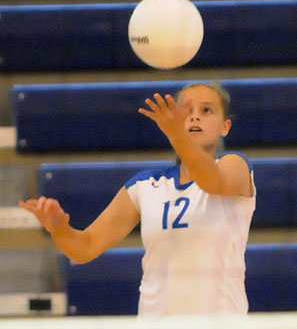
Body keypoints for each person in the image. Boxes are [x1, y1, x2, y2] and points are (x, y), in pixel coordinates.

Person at [19, 82, 256, 317]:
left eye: (206, 110)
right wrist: (59, 228)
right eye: (187, 110)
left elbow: (212, 182)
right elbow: (85, 247)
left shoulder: (235, 166)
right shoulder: (145, 186)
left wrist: (176, 134)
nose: (195, 118)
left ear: (225, 126)